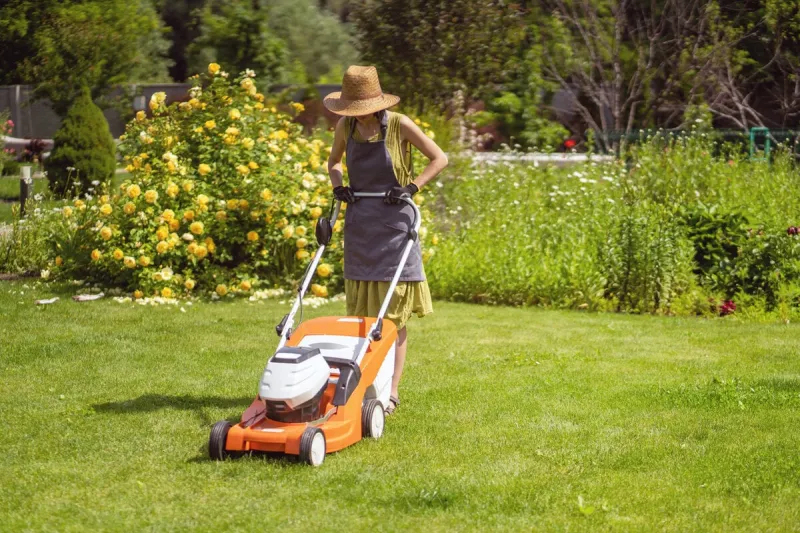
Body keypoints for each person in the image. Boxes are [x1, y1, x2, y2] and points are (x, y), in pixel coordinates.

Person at [324, 65, 448, 415]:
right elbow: (333, 161)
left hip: (396, 225)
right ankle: (364, 383)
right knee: (362, 314)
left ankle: (390, 391)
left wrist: (411, 187)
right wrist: (338, 186)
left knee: (393, 316)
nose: (357, 115)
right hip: (361, 223)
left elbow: (440, 158)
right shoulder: (344, 126)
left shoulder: (399, 124)